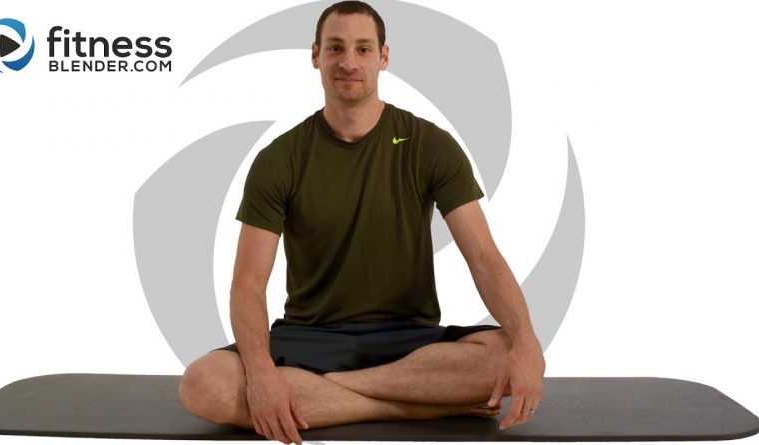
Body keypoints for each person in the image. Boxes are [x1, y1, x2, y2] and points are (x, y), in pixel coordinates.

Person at [178, 2, 545, 444]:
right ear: (316, 56)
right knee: (203, 384)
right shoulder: (280, 159)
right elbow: (248, 282)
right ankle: (417, 405)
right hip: (310, 339)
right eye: (335, 48)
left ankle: (333, 393)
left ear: (383, 58)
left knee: (504, 353)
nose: (348, 62)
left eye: (363, 49)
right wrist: (260, 374)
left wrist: (527, 343)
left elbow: (484, 258)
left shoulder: (430, 145)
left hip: (409, 340)